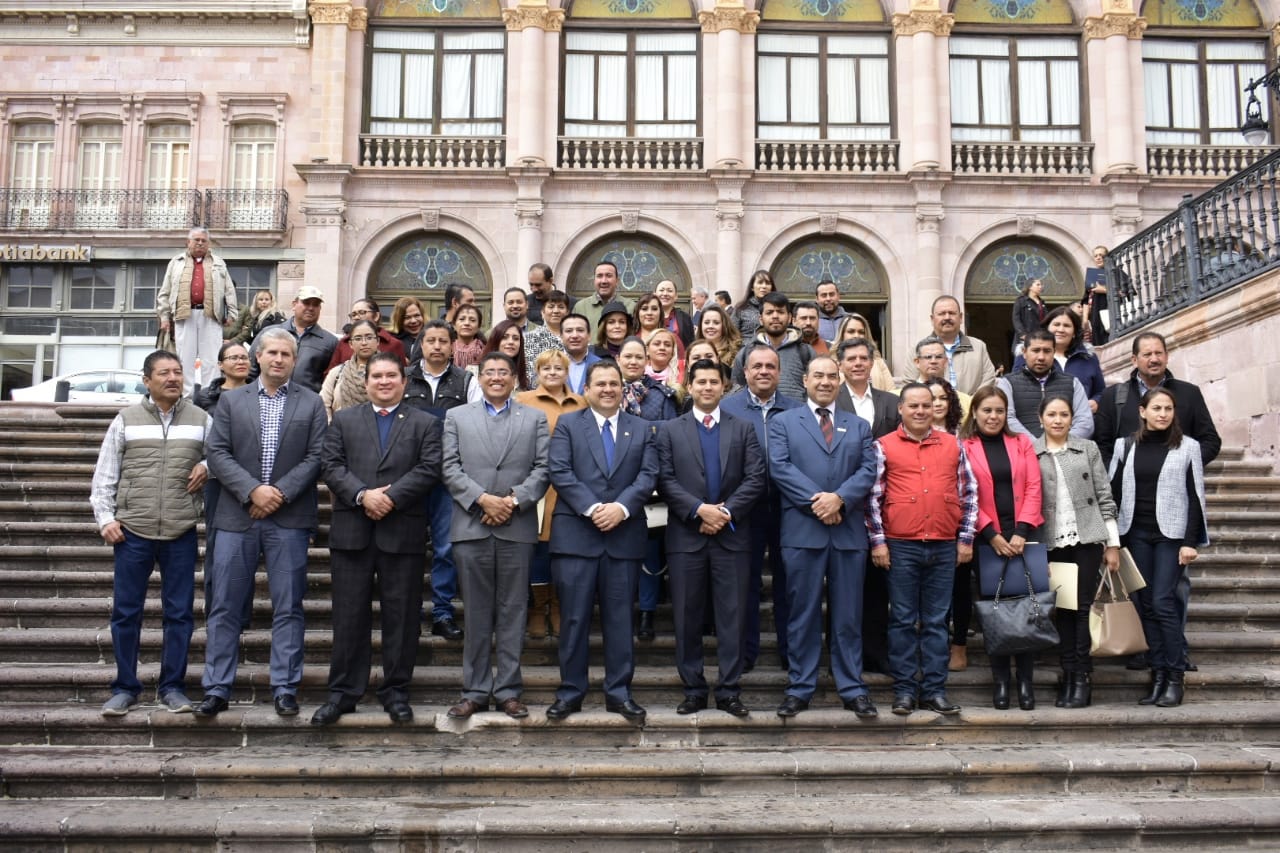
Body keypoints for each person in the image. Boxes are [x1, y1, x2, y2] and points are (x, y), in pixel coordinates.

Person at [196, 327, 327, 718]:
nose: (278, 359)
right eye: (272, 352)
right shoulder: (231, 401)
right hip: (236, 516)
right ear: (258, 357)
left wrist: (278, 494)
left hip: (289, 519)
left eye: (286, 354)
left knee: (288, 606)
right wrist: (253, 491)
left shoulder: (312, 403)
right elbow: (217, 453)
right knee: (225, 606)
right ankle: (217, 687)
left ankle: (285, 687)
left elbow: (317, 456)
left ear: (295, 359)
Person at [312, 353, 443, 726]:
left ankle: (396, 692)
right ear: (366, 382)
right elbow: (331, 465)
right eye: (377, 376)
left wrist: (391, 497)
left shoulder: (425, 423)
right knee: (348, 616)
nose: (384, 382)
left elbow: (430, 467)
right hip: (352, 532)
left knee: (402, 618)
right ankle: (343, 693)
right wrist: (362, 496)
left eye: (391, 376)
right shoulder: (344, 420)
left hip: (402, 531)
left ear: (404, 381)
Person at [90, 350, 209, 716]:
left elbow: (223, 455)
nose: (173, 378)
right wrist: (106, 518)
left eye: (178, 372)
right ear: (147, 380)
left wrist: (207, 464)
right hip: (132, 531)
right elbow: (105, 474)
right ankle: (125, 687)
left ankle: (172, 687)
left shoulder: (201, 418)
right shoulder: (126, 420)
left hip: (180, 529)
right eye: (164, 373)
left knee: (180, 614)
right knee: (126, 612)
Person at [546, 360, 659, 723]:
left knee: (620, 620)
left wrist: (621, 509)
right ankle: (570, 693)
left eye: (614, 383)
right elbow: (559, 470)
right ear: (587, 390)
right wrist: (594, 508)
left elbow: (649, 475)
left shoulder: (641, 428)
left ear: (622, 388)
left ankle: (619, 693)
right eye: (601, 384)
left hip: (624, 537)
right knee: (574, 620)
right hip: (576, 537)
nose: (608, 389)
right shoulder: (568, 425)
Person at [442, 352, 551, 720]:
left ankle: (508, 691)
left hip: (516, 527)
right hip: (471, 526)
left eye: (503, 372)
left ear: (514, 378)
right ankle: (474, 691)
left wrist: (513, 501)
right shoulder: (457, 417)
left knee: (513, 612)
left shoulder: (534, 418)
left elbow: (543, 468)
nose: (496, 377)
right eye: (489, 372)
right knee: (475, 613)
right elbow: (449, 468)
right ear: (480, 377)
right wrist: (482, 500)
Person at [769, 356, 879, 718]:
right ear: (805, 380)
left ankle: (852, 687)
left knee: (848, 617)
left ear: (840, 380)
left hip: (847, 533)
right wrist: (819, 502)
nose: (826, 382)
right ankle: (800, 687)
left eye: (832, 376)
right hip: (803, 532)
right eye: (818, 375)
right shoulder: (783, 422)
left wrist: (840, 499)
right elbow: (780, 467)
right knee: (802, 615)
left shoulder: (858, 425)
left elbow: (868, 470)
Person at [657, 358, 767, 716]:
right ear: (689, 387)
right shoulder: (670, 430)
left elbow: (755, 478)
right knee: (686, 616)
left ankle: (729, 690)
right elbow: (664, 479)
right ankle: (693, 689)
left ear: (724, 387)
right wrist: (698, 510)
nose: (707, 387)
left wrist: (725, 513)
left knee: (732, 617)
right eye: (700, 382)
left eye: (713, 382)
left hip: (732, 537)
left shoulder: (743, 428)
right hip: (686, 537)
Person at [867, 382, 978, 717]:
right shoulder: (883, 445)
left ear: (934, 409)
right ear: (900, 409)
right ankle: (904, 690)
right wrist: (878, 541)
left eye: (926, 405)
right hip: (900, 545)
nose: (920, 411)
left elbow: (969, 492)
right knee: (902, 619)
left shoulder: (953, 445)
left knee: (936, 621)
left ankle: (934, 690)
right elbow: (873, 497)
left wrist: (966, 538)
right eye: (913, 405)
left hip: (944, 545)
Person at [1109, 387, 1209, 708]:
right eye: (1156, 408)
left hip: (1171, 536)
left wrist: (1190, 542)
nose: (1163, 414)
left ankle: (1175, 677)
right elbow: (1112, 493)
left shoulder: (1188, 446)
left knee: (1163, 602)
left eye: (1168, 408)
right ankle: (1158, 675)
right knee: (1147, 606)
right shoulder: (1125, 445)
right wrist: (1111, 539)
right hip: (1135, 533)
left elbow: (1195, 496)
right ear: (1143, 411)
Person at [959, 385, 1044, 711]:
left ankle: (1025, 681)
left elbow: (1034, 486)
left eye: (999, 411)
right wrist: (991, 534)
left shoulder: (1022, 442)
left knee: (1025, 611)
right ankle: (1001, 681)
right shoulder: (964, 446)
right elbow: (964, 493)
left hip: (1023, 537)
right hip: (987, 540)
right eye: (987, 410)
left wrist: (1021, 531)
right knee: (996, 613)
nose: (993, 416)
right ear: (975, 413)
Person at [1034, 394, 1121, 709]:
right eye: (1052, 414)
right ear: (1041, 418)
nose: (1058, 420)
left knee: (1083, 608)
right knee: (1064, 610)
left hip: (1087, 538)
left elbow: (1104, 495)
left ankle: (1082, 676)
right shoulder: (1031, 452)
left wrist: (1113, 544)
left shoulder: (1087, 448)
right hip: (1051, 541)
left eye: (1064, 414)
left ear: (1073, 418)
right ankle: (1068, 672)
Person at [721, 343, 802, 671]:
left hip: (788, 509)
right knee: (744, 583)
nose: (764, 371)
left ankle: (790, 652)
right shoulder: (728, 408)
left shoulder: (797, 410)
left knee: (789, 584)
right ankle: (745, 653)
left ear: (779, 372)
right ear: (745, 372)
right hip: (744, 510)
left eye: (770, 366)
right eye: (757, 366)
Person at [403, 320, 481, 641]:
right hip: (409, 476)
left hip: (450, 476)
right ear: (420, 345)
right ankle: (408, 612)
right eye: (430, 340)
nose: (437, 346)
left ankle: (442, 612)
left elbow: (475, 425)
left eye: (443, 341)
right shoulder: (404, 379)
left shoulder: (466, 381)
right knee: (407, 547)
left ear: (452, 346)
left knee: (446, 547)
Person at [833, 336, 901, 674]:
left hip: (885, 506)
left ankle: (876, 653)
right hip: (842, 504)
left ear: (873, 363)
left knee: (877, 586)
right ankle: (841, 657)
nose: (858, 363)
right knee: (841, 587)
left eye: (863, 358)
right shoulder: (831, 400)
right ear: (841, 365)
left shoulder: (893, 402)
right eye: (851, 359)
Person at [516, 350, 586, 640]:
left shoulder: (581, 402)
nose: (553, 373)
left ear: (567, 372)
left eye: (559, 368)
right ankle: (537, 608)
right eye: (547, 368)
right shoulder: (523, 400)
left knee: (565, 549)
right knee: (539, 550)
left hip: (571, 485)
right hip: (537, 484)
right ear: (538, 372)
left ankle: (557, 605)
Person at [617, 335, 679, 638]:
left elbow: (669, 435)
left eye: (638, 357)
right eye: (627, 356)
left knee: (651, 553)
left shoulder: (662, 395)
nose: (632, 362)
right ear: (618, 360)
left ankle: (647, 612)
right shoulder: (607, 390)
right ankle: (620, 612)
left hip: (651, 482)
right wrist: (650, 430)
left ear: (646, 361)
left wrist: (644, 431)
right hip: (614, 483)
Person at [1093, 332, 1221, 468]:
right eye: (1147, 354)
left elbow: (1210, 441)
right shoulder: (1112, 396)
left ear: (1166, 356)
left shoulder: (1190, 393)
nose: (1154, 359)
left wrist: (1184, 466)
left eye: (1158, 353)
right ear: (1134, 360)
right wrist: (1119, 474)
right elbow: (1101, 445)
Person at [193, 342, 251, 622]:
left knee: (249, 546)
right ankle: (215, 608)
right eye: (233, 357)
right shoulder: (205, 398)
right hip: (217, 478)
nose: (240, 362)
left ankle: (242, 613)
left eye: (244, 357)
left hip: (253, 478)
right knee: (217, 545)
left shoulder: (259, 392)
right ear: (220, 364)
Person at [157, 227, 238, 396]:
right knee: (184, 359)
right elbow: (165, 291)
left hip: (211, 315)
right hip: (184, 315)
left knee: (212, 359)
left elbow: (229, 290)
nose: (200, 243)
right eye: (197, 240)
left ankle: (210, 396)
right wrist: (164, 317)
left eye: (204, 241)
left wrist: (232, 313)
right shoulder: (176, 262)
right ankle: (186, 397)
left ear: (208, 244)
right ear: (188, 242)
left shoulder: (219, 262)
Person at [995, 329, 1094, 439]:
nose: (1041, 357)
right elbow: (1007, 419)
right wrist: (1037, 445)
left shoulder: (1072, 383)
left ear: (1054, 352)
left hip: (1067, 448)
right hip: (1022, 448)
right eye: (1036, 350)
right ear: (1024, 352)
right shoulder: (1007, 384)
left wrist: (1063, 444)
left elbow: (1085, 422)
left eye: (1047, 351)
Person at [1012, 305, 1105, 409]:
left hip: (1081, 417)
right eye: (1056, 324)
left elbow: (1100, 391)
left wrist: (1096, 402)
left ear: (1074, 332)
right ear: (1046, 328)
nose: (1061, 329)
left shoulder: (1088, 357)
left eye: (1066, 326)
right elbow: (1015, 390)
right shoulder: (1026, 357)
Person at [249, 286, 338, 394]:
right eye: (306, 303)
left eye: (315, 304)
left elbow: (332, 381)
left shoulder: (330, 342)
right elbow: (251, 370)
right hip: (266, 399)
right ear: (294, 304)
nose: (311, 308)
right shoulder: (268, 333)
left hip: (307, 401)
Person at [730, 292, 815, 401]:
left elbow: (815, 388)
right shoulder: (746, 352)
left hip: (795, 410)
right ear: (761, 319)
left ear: (789, 318)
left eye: (780, 312)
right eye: (769, 312)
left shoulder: (805, 352)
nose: (775, 316)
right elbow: (736, 388)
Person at [928, 295, 997, 396]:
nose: (947, 317)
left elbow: (989, 379)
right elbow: (910, 384)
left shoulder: (979, 347)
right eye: (941, 314)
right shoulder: (918, 350)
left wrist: (970, 402)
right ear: (932, 319)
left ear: (960, 318)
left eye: (952, 313)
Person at [501, 287, 564, 388]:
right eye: (511, 302)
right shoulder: (492, 334)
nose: (515, 305)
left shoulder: (542, 334)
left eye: (519, 302)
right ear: (504, 306)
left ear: (527, 304)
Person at [320, 319, 380, 420]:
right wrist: (332, 427)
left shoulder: (389, 373)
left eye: (369, 337)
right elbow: (323, 405)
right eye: (358, 338)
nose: (364, 343)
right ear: (350, 344)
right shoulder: (337, 373)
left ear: (378, 341)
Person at [326, 298, 406, 374]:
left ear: (376, 316)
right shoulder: (344, 343)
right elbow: (331, 373)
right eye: (353, 315)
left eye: (362, 312)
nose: (356, 317)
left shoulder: (394, 344)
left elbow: (402, 374)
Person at [834, 313, 895, 392]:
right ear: (842, 334)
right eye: (851, 331)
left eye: (861, 332)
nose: (856, 335)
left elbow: (891, 391)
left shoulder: (878, 362)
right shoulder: (832, 363)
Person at [577, 260, 635, 332]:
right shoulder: (580, 307)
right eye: (599, 276)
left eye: (609, 276)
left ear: (617, 281)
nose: (604, 281)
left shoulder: (631, 306)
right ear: (594, 280)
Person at [481, 319, 531, 392]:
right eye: (505, 337)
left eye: (516, 338)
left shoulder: (526, 374)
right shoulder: (475, 371)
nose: (511, 342)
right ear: (495, 340)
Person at [560, 313, 601, 395]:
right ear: (561, 336)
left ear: (589, 336)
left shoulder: (600, 365)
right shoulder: (549, 365)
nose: (575, 335)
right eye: (569, 331)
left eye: (580, 330)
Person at [644, 327, 686, 406]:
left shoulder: (682, 376)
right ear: (647, 350)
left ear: (673, 352)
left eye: (667, 345)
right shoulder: (639, 375)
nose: (662, 348)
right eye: (657, 344)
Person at [695, 303, 743, 371]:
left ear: (724, 326)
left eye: (716, 323)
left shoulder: (737, 352)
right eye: (706, 322)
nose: (710, 326)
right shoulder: (694, 351)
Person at [734, 269, 774, 340]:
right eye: (760, 282)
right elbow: (732, 334)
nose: (764, 286)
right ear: (752, 287)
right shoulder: (741, 308)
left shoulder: (777, 308)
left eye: (767, 283)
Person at [654, 279, 695, 347]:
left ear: (676, 296)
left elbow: (691, 343)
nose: (665, 294)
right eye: (661, 290)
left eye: (669, 291)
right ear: (655, 295)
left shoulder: (685, 318)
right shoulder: (647, 316)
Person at [1011, 278, 1046, 357]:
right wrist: (1022, 334)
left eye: (1041, 285)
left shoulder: (1042, 302)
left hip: (1039, 337)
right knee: (1022, 360)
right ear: (1030, 287)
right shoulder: (1021, 301)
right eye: (1038, 284)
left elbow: (1046, 320)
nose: (1041, 286)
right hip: (1025, 338)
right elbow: (1016, 319)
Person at [1084, 245, 1111, 345]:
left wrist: (1105, 290)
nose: (1098, 258)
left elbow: (1126, 292)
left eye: (1101, 255)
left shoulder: (1116, 272)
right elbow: (1085, 300)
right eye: (1096, 256)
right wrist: (1085, 320)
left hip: (1110, 316)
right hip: (1095, 319)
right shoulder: (1092, 275)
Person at [451, 304, 486, 372]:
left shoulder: (485, 351)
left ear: (479, 326)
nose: (467, 323)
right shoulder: (447, 349)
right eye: (462, 319)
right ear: (454, 325)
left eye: (472, 320)